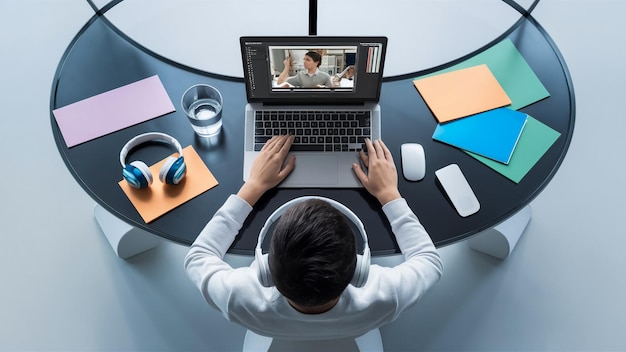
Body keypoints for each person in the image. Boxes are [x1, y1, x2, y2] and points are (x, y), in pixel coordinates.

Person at [184, 135, 443, 340]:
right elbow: (429, 262)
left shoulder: (237, 299)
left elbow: (198, 257)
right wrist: (388, 193)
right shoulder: (386, 298)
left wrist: (253, 186)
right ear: (359, 270)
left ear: (266, 269)